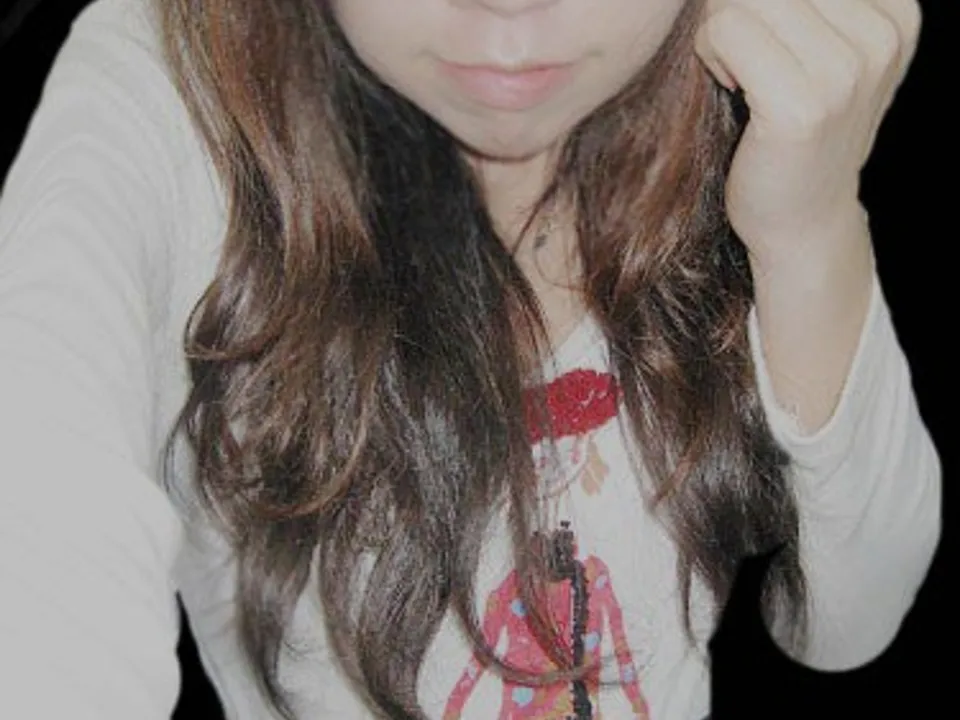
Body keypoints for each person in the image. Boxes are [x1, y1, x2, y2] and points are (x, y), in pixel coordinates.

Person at [0, 0, 940, 718]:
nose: (510, 7)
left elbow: (849, 625)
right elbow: (43, 568)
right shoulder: (177, 92)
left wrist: (810, 230)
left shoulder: (747, 65)